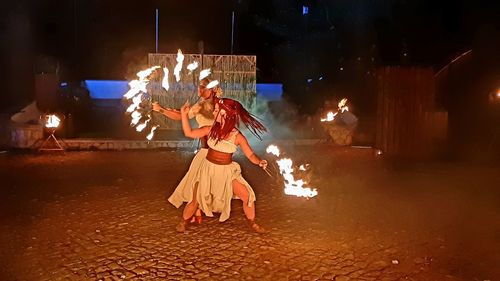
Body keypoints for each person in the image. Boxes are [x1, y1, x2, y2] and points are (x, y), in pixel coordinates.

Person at [177, 97, 268, 233]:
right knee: (195, 199)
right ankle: (183, 222)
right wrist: (184, 115)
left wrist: (260, 161)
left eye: (216, 111)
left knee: (247, 196)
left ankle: (252, 223)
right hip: (208, 170)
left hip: (227, 172)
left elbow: (250, 155)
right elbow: (189, 133)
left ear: (225, 114)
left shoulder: (237, 136)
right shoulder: (211, 129)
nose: (213, 113)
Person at [152, 78, 220, 224]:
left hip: (221, 152)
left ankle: (201, 209)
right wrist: (162, 110)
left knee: (219, 182)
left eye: (204, 88)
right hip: (205, 151)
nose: (200, 91)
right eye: (199, 87)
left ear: (213, 89)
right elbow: (180, 116)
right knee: (195, 181)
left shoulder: (222, 104)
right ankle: (196, 210)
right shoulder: (199, 106)